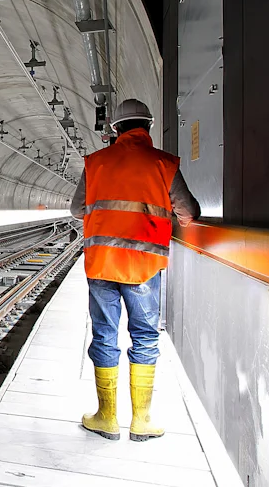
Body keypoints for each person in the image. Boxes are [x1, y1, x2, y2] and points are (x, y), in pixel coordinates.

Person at [69, 98, 200, 442]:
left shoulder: (95, 163)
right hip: (143, 266)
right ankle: (141, 420)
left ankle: (106, 417)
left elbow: (76, 208)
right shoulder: (163, 164)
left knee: (105, 333)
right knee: (144, 335)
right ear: (148, 126)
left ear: (115, 129)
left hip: (101, 264)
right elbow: (188, 212)